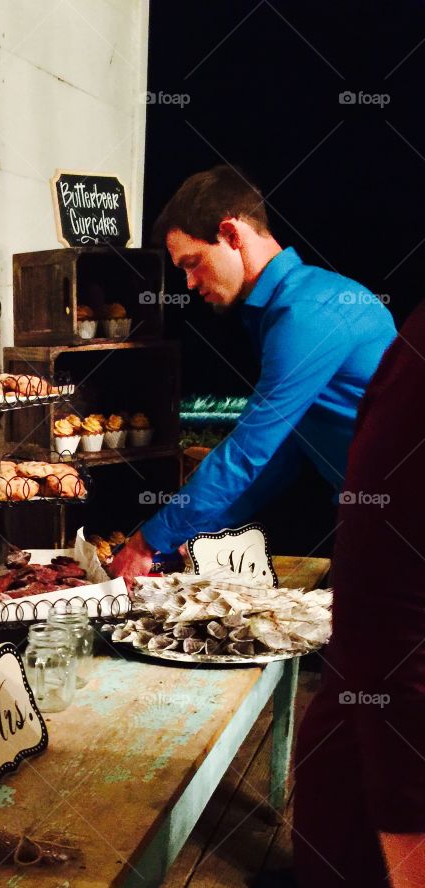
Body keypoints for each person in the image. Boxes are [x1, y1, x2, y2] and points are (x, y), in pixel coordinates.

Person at [292, 299, 425, 888]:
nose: (192, 287)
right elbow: (393, 639)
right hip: (394, 847)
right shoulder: (317, 321)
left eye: (184, 268)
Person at [108, 166, 397, 585]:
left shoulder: (306, 312)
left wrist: (147, 543)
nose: (189, 283)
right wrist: (191, 531)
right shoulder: (290, 306)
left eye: (193, 263)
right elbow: (280, 456)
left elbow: (249, 452)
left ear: (231, 234)